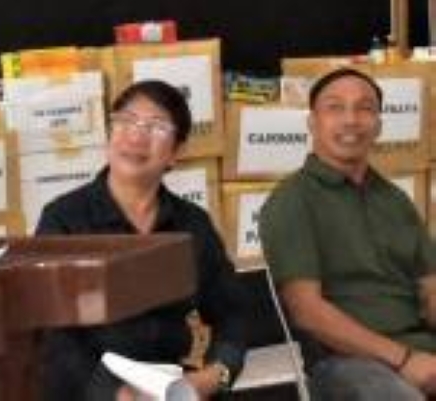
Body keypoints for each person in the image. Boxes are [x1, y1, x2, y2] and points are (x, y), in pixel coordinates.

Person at [36, 79, 247, 399]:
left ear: (176, 152)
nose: (136, 135)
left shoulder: (192, 224)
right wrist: (117, 396)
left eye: (157, 126)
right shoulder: (64, 219)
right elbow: (52, 336)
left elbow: (233, 315)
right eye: (125, 120)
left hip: (171, 389)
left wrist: (214, 376)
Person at [259, 67, 436, 399]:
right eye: (335, 107)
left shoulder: (396, 200)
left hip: (422, 348)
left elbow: (431, 290)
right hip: (347, 363)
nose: (351, 119)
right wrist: (405, 359)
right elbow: (307, 311)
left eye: (365, 108)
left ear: (379, 125)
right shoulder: (291, 201)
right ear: (312, 123)